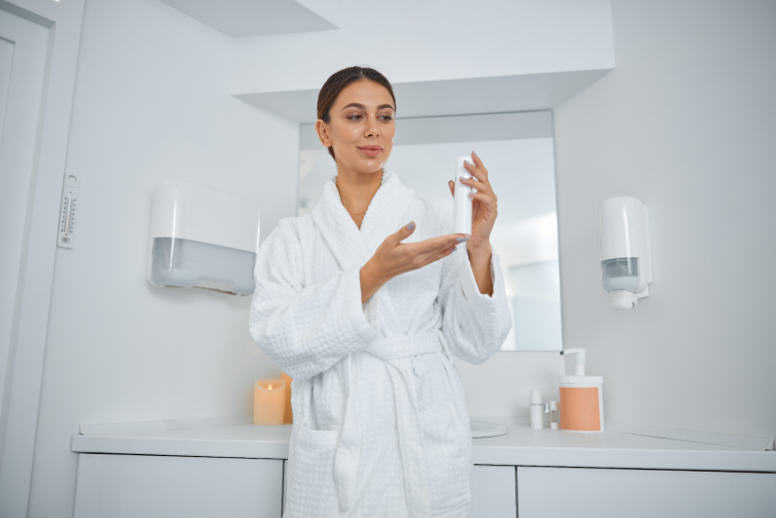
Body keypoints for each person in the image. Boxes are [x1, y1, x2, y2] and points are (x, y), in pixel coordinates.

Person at [249, 66, 511, 518]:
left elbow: (477, 342)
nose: (373, 129)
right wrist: (371, 275)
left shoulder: (433, 220)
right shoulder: (292, 239)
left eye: (385, 116)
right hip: (340, 433)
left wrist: (480, 245)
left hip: (421, 431)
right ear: (323, 130)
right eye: (354, 116)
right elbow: (281, 342)